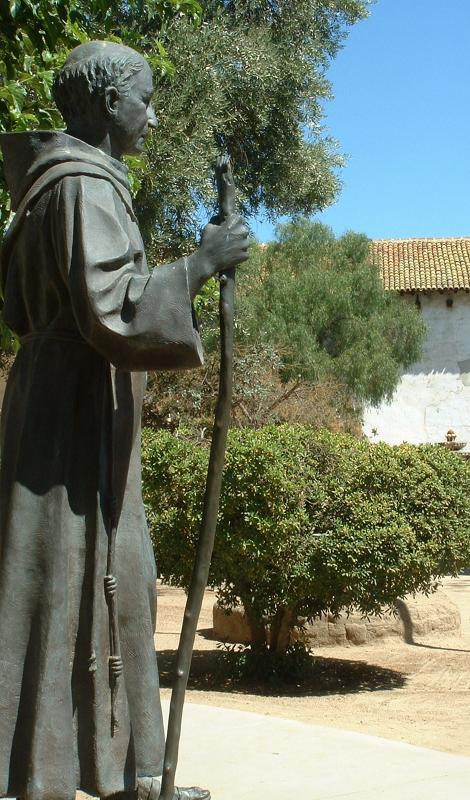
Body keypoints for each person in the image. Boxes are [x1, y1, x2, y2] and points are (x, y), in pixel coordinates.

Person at [0, 40, 249, 800]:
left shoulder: (52, 187)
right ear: (109, 102)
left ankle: (117, 769)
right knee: (73, 576)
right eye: (144, 98)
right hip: (73, 421)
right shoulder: (80, 187)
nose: (153, 112)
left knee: (93, 578)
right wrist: (200, 266)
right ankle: (80, 774)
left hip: (62, 407)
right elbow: (113, 309)